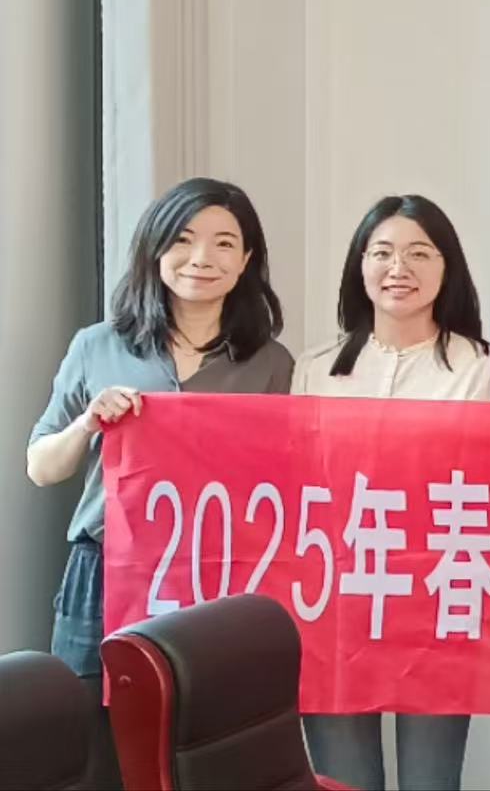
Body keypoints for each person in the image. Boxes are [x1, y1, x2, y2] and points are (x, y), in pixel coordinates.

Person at [25, 178, 294, 788]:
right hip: (104, 570)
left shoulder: (270, 362)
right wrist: (89, 424)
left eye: (224, 243)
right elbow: (41, 466)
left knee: (206, 742)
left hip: (216, 575)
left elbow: (280, 478)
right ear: (154, 248)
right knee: (92, 743)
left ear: (247, 260)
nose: (202, 258)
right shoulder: (98, 346)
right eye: (183, 239)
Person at [294, 195, 490, 791]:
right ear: (360, 265)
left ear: (447, 267)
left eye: (419, 253)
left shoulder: (483, 367)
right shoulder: (314, 368)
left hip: (438, 591)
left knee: (433, 780)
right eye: (381, 252)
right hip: (336, 596)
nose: (398, 268)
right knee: (342, 780)